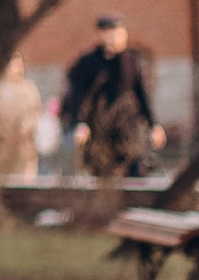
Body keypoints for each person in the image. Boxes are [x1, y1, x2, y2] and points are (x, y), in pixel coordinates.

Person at [59, 15, 159, 176]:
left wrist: (154, 125)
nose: (115, 39)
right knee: (102, 172)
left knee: (133, 170)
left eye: (119, 34)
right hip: (99, 129)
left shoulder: (131, 61)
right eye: (110, 34)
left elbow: (142, 95)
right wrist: (79, 123)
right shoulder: (88, 62)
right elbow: (77, 95)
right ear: (101, 35)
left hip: (127, 127)